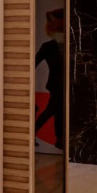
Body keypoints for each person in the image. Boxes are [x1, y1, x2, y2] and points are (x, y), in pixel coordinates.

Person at [35, 8, 65, 150]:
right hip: (56, 85)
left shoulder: (72, 45)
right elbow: (33, 64)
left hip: (66, 85)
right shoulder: (48, 47)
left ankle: (59, 140)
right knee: (53, 110)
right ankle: (58, 139)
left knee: (58, 111)